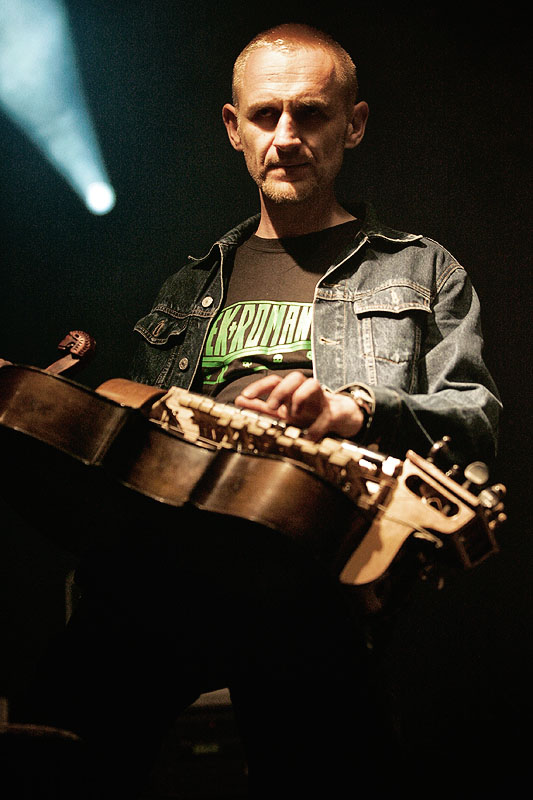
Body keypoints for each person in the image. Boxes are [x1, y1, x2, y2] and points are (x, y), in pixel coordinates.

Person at [17, 23, 501, 799]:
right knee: (53, 751)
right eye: (265, 115)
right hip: (165, 572)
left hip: (310, 583)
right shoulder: (187, 284)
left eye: (310, 113)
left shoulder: (420, 267)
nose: (286, 136)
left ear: (354, 123)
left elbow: (473, 416)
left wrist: (352, 408)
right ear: (232, 128)